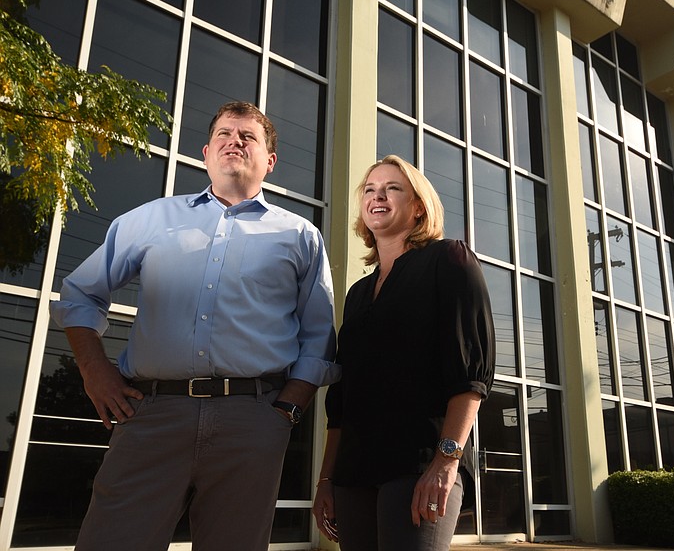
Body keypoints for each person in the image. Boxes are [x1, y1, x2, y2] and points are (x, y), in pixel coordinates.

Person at [50, 101, 339, 551]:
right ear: (206, 153)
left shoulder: (300, 236)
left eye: (248, 137)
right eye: (224, 134)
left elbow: (319, 336)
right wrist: (93, 371)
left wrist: (289, 408)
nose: (234, 142)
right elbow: (81, 293)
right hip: (150, 413)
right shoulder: (150, 219)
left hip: (253, 419)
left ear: (270, 161)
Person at [312, 155, 495, 550]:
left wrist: (446, 462)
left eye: (393, 188)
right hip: (354, 473)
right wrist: (327, 479)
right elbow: (342, 401)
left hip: (419, 465)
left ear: (418, 207)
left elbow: (470, 375)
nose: (378, 196)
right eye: (371, 190)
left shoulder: (449, 259)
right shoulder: (358, 294)